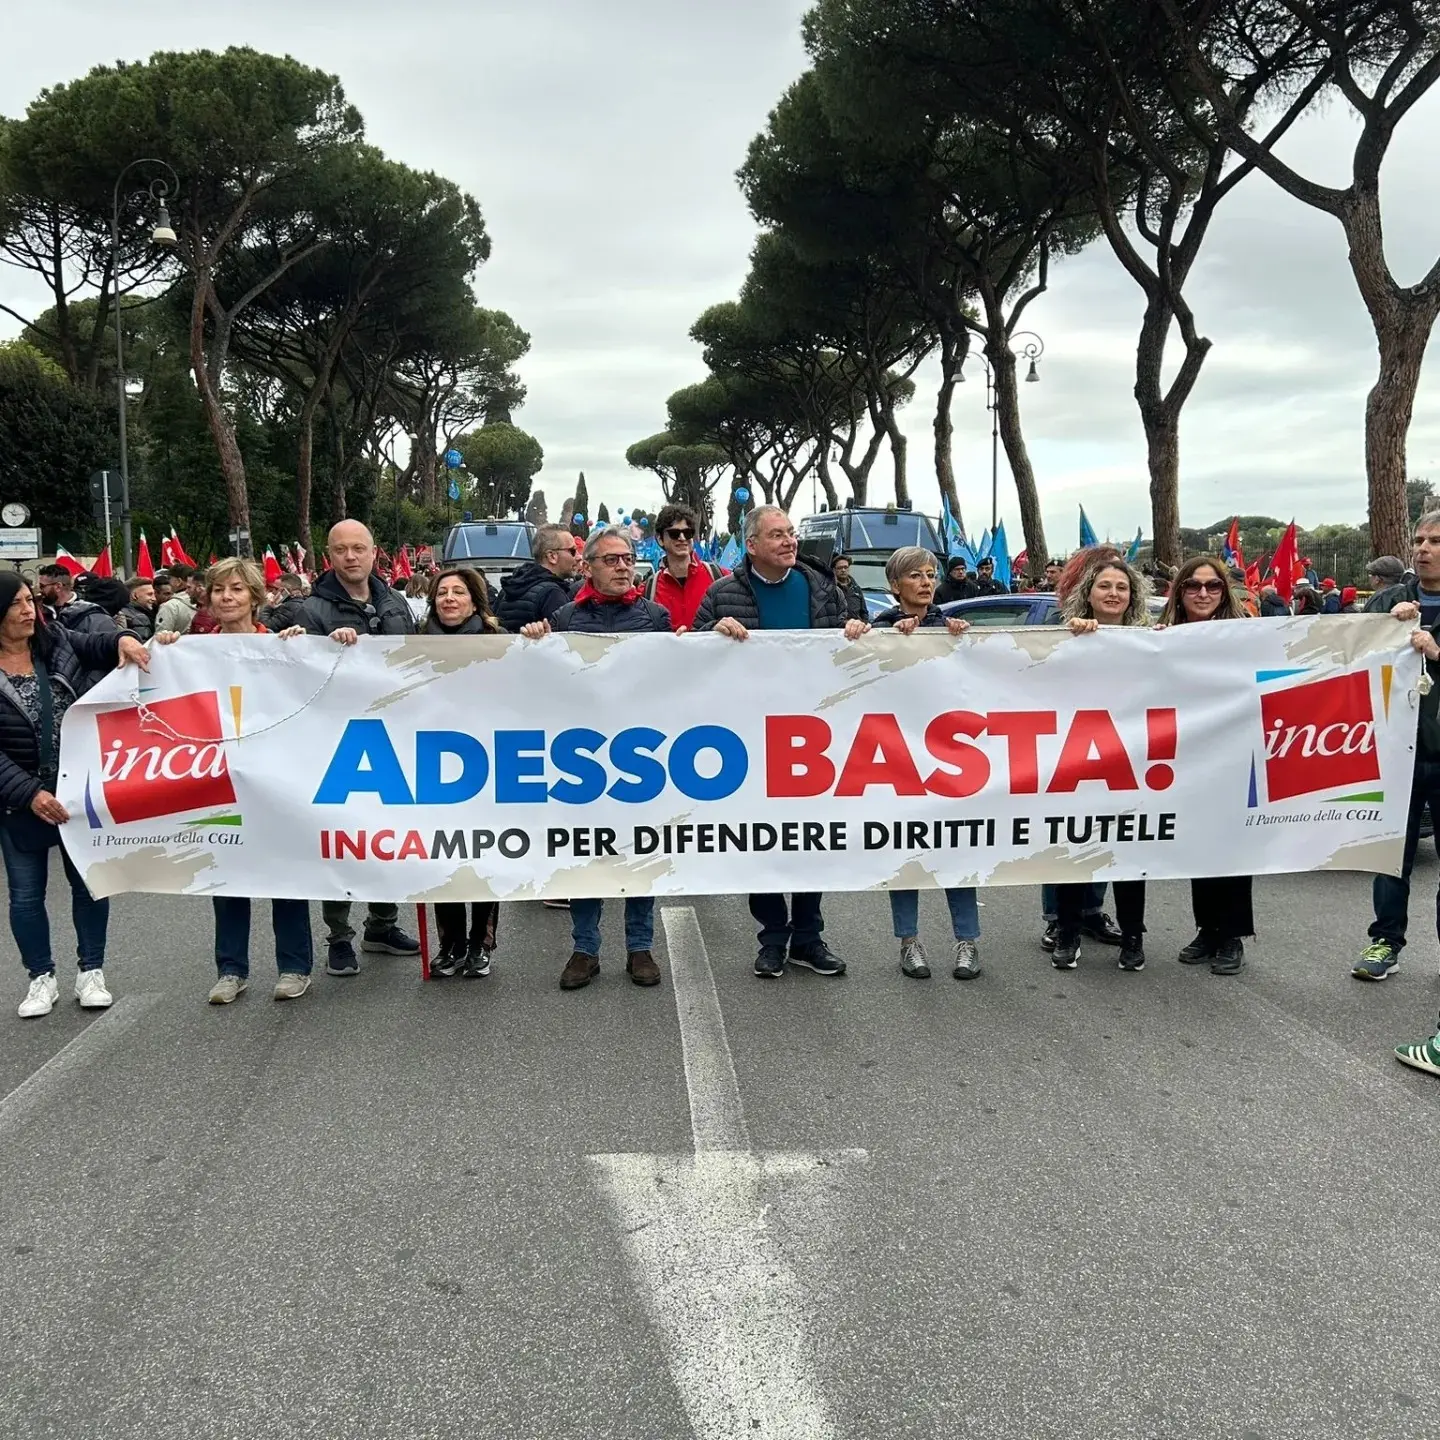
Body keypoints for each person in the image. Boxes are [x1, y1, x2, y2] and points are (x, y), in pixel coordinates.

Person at [693, 505, 868, 978]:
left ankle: (808, 937)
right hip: (750, 742)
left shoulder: (820, 587)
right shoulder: (722, 594)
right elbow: (688, 656)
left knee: (812, 840)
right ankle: (772, 938)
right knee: (764, 843)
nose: (790, 541)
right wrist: (710, 634)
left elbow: (847, 650)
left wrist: (855, 632)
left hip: (813, 739)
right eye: (777, 535)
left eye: (791, 533)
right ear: (751, 545)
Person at [154, 558, 315, 1004]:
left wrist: (302, 650)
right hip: (217, 778)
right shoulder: (190, 650)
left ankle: (295, 966)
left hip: (275, 777)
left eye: (237, 590)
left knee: (284, 872)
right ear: (207, 597)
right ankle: (231, 969)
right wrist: (164, 648)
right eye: (219, 590)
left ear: (255, 598)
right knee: (226, 875)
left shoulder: (282, 645)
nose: (227, 598)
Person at [522, 525, 672, 990]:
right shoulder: (566, 617)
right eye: (612, 560)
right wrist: (532, 640)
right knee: (586, 854)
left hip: (641, 756)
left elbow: (677, 682)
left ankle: (639, 948)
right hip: (583, 760)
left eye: (627, 558)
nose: (624, 566)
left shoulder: (656, 616)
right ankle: (585, 949)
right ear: (588, 567)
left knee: (640, 852)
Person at [0, 573, 150, 1018]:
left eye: (31, 600)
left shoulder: (58, 640)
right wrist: (29, 794)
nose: (30, 610)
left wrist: (123, 639)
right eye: (17, 604)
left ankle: (91, 971)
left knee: (88, 883)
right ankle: (40, 977)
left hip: (77, 790)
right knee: (26, 895)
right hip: (19, 799)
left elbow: (100, 644)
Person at [300, 520, 420, 975]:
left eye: (359, 548)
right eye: (341, 550)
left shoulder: (395, 603)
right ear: (328, 556)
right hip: (338, 740)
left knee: (390, 836)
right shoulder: (311, 610)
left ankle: (382, 924)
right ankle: (339, 935)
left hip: (392, 735)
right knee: (342, 839)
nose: (351, 557)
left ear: (375, 553)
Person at [871, 548, 979, 978]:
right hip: (898, 760)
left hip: (950, 759)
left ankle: (967, 942)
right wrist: (879, 637)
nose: (925, 582)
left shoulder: (947, 626)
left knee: (959, 850)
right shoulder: (880, 627)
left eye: (931, 574)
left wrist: (960, 640)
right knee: (906, 854)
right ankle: (909, 942)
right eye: (915, 575)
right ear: (895, 586)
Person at [1050, 555, 1153, 971]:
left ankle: (1133, 936)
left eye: (1121, 588)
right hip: (1077, 764)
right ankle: (1068, 932)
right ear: (1088, 594)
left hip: (1133, 764)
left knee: (1130, 852)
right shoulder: (1065, 638)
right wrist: (1073, 640)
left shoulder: (1152, 641)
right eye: (1105, 586)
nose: (1113, 594)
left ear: (1132, 597)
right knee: (1073, 850)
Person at [1158, 555, 1255, 975]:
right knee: (1200, 845)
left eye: (1212, 586)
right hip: (1187, 758)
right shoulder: (1162, 638)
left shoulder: (1248, 635)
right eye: (1193, 585)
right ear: (1179, 591)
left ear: (1224, 591)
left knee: (1232, 845)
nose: (1203, 593)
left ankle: (1232, 935)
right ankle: (1208, 928)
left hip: (1236, 753)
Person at [1354, 512, 1440, 981]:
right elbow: (1345, 656)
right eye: (1419, 540)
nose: (1423, 548)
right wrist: (1382, 626)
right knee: (1390, 859)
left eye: (1435, 541)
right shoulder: (1389, 600)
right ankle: (1384, 942)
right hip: (1395, 757)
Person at [423, 567, 503, 979]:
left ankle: (481, 942)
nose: (449, 599)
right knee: (443, 855)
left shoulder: (497, 643)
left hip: (486, 764)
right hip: (434, 766)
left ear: (474, 600)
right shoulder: (413, 645)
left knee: (483, 855)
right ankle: (450, 943)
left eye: (458, 592)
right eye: (441, 592)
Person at [645, 503, 724, 631]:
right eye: (674, 533)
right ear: (660, 539)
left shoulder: (719, 576)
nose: (682, 538)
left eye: (688, 533)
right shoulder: (648, 589)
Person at [494, 525, 581, 633]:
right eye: (572, 551)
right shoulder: (553, 594)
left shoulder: (508, 588)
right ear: (552, 556)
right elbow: (562, 642)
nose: (579, 557)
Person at [156, 564, 204, 635]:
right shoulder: (206, 604)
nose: (168, 582)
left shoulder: (169, 606)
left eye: (170, 578)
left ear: (178, 582)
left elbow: (161, 637)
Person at [830, 555, 871, 622]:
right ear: (834, 570)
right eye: (840, 568)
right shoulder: (831, 589)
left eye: (845, 567)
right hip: (839, 629)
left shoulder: (856, 588)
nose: (843, 570)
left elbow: (864, 612)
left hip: (857, 628)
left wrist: (864, 623)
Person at [118, 575, 158, 641]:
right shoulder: (140, 618)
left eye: (154, 594)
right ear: (134, 595)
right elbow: (144, 646)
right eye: (149, 594)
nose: (154, 599)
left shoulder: (118, 611)